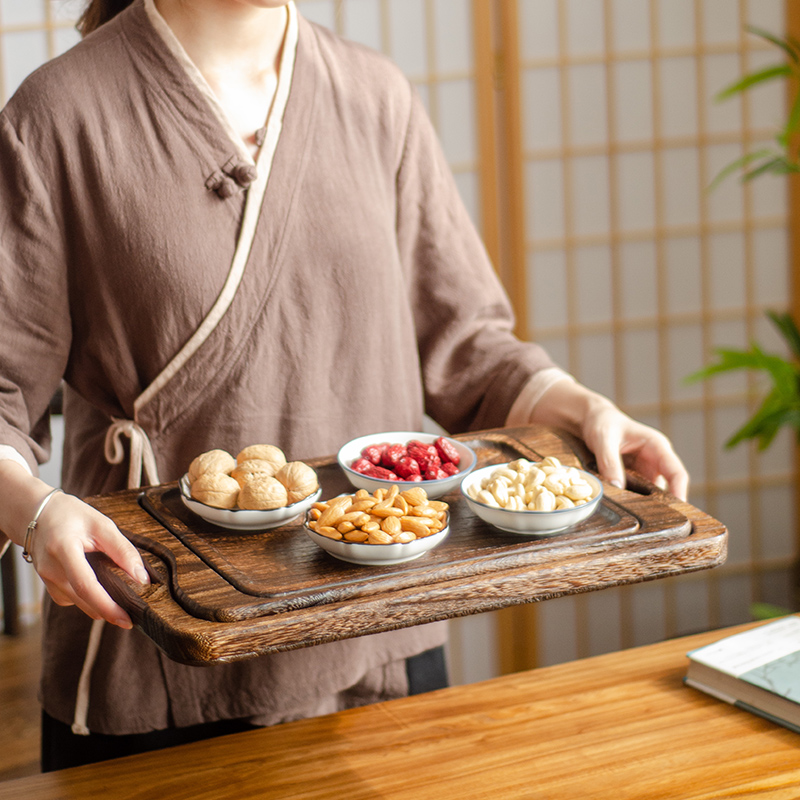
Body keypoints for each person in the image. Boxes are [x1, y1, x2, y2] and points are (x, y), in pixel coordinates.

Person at [0, 0, 689, 772]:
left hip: (384, 623)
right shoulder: (57, 113)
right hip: (161, 630)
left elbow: (467, 344)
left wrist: (586, 410)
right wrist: (35, 512)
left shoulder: (375, 95)